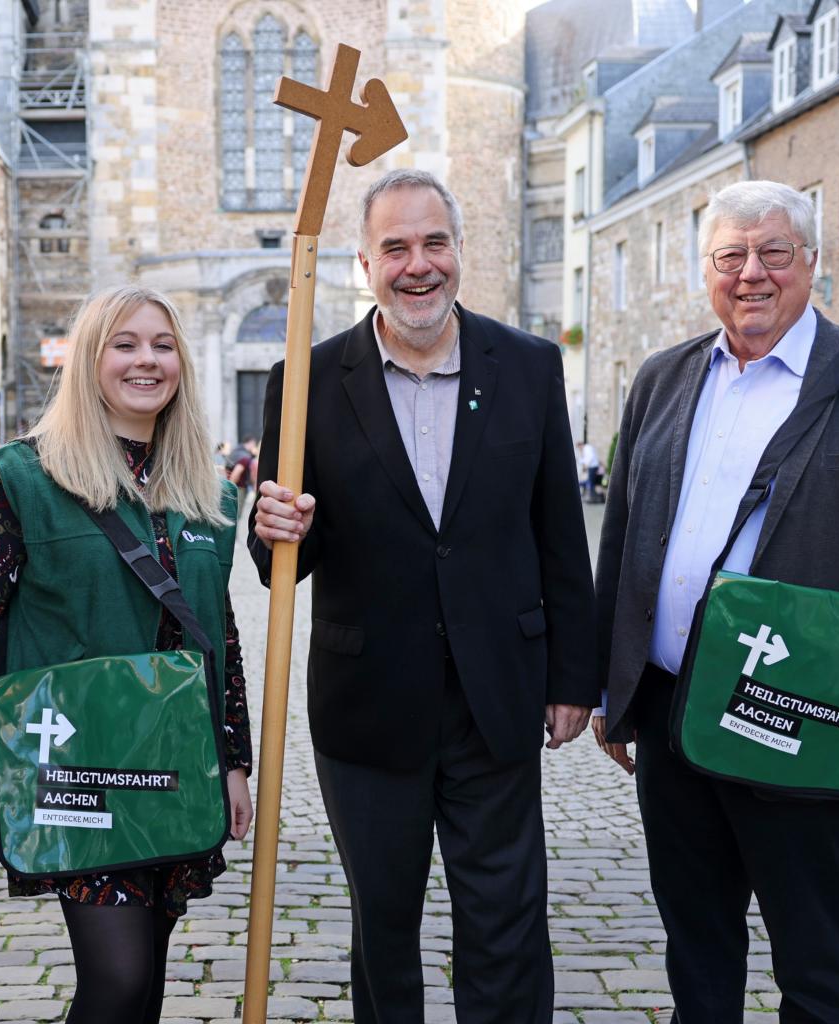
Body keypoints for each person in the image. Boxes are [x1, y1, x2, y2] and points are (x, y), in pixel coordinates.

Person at [591, 180, 839, 1022]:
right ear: (708, 270)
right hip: (670, 712)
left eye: (773, 252)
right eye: (731, 256)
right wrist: (613, 692)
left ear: (811, 263)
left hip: (800, 715)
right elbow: (622, 540)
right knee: (695, 944)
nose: (751, 273)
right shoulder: (663, 379)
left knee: (817, 960)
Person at [250, 169, 597, 1024]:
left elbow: (559, 531)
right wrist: (276, 530)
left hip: (498, 695)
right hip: (367, 704)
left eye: (434, 243)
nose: (418, 265)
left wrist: (573, 677)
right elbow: (287, 567)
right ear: (364, 263)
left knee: (506, 925)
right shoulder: (306, 381)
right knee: (384, 928)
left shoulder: (526, 367)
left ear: (459, 253)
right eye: (395, 248)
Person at [0, 284, 254, 1024]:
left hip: (176, 764)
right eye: (125, 343)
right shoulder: (26, 477)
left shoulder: (206, 491)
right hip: (79, 768)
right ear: (91, 360)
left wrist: (234, 760)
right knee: (116, 977)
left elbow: (220, 629)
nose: (145, 360)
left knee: (146, 973)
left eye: (161, 344)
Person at [226, 435, 258, 507]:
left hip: (231, 486)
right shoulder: (245, 456)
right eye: (254, 444)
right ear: (251, 443)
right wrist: (230, 489)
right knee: (236, 513)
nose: (254, 447)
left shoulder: (235, 451)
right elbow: (236, 473)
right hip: (238, 488)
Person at [576, 439, 603, 503]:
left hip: (592, 467)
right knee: (591, 482)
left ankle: (592, 498)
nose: (579, 449)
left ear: (580, 445)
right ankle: (593, 497)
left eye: (578, 447)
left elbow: (590, 457)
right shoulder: (586, 448)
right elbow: (585, 459)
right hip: (592, 467)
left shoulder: (587, 448)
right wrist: (579, 460)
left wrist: (586, 465)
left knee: (591, 482)